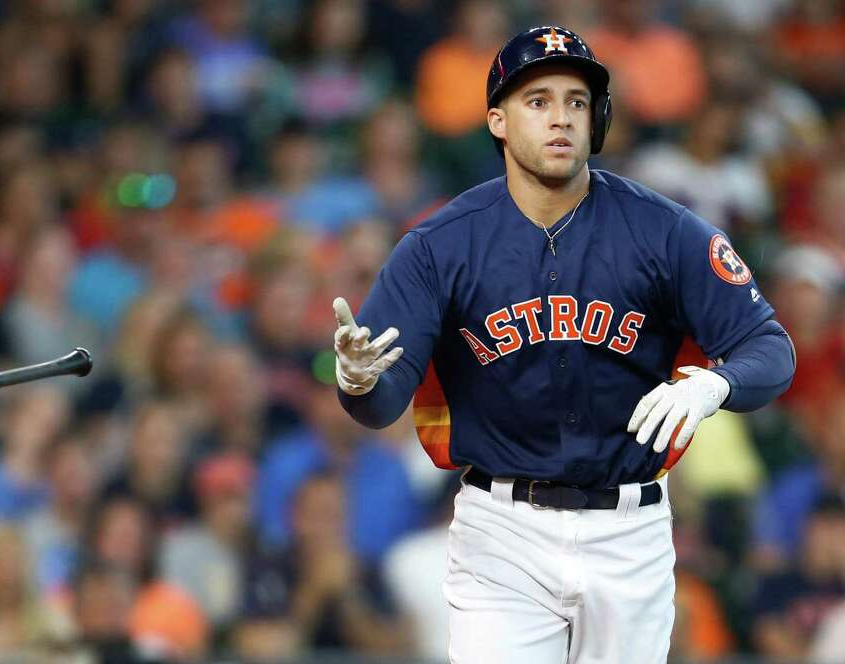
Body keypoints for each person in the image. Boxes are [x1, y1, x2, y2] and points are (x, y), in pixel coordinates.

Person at [332, 26, 796, 663]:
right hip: (501, 531)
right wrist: (357, 382)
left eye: (577, 102)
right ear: (496, 120)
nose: (561, 118)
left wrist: (720, 382)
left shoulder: (666, 232)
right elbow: (381, 400)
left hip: (631, 531)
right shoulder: (438, 245)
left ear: (597, 119)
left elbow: (769, 349)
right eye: (538, 101)